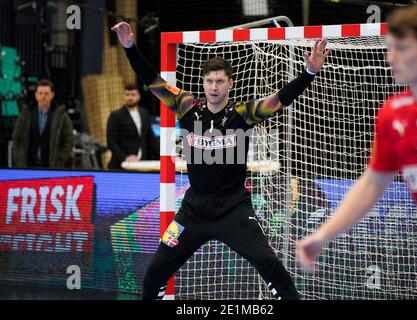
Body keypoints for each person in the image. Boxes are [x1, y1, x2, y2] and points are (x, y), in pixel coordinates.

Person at [112, 21, 330, 300]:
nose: (214, 87)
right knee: (154, 275)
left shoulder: (245, 113)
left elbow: (282, 98)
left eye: (220, 81)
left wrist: (310, 72)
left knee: (273, 269)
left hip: (234, 209)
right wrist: (129, 46)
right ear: (203, 83)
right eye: (209, 81)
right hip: (193, 210)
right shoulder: (186, 105)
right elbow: (152, 80)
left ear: (230, 84)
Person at [296, 4, 417, 300]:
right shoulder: (394, 116)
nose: (390, 57)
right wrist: (323, 235)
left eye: (401, 49)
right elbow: (372, 184)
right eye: (390, 48)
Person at [12, 79, 74, 168]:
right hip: (28, 166)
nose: (43, 97)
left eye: (46, 93)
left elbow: (69, 139)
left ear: (52, 95)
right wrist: (19, 158)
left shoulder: (61, 115)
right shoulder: (26, 113)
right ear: (36, 95)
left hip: (52, 167)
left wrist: (60, 158)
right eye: (40, 93)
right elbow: (16, 138)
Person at [107, 83, 158, 170]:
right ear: (124, 96)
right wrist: (125, 158)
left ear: (139, 96)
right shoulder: (115, 115)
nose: (130, 97)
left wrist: (167, 156)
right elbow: (111, 142)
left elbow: (150, 139)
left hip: (142, 164)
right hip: (121, 165)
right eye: (127, 95)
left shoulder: (144, 113)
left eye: (133, 95)